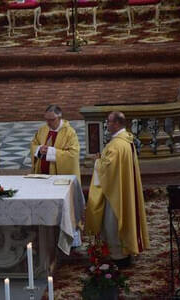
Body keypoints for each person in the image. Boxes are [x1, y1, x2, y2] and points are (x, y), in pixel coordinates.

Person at [85, 111, 150, 267]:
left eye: (108, 122)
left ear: (116, 123)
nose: (107, 124)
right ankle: (122, 252)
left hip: (115, 193)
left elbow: (108, 168)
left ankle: (119, 257)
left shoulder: (116, 145)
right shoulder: (126, 139)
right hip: (121, 187)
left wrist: (97, 161)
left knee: (112, 223)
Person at [30, 104, 81, 183]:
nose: (48, 123)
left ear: (60, 118)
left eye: (52, 120)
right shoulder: (43, 130)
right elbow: (34, 144)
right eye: (46, 119)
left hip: (59, 178)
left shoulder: (69, 132)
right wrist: (39, 149)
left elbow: (73, 154)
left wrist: (50, 152)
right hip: (41, 174)